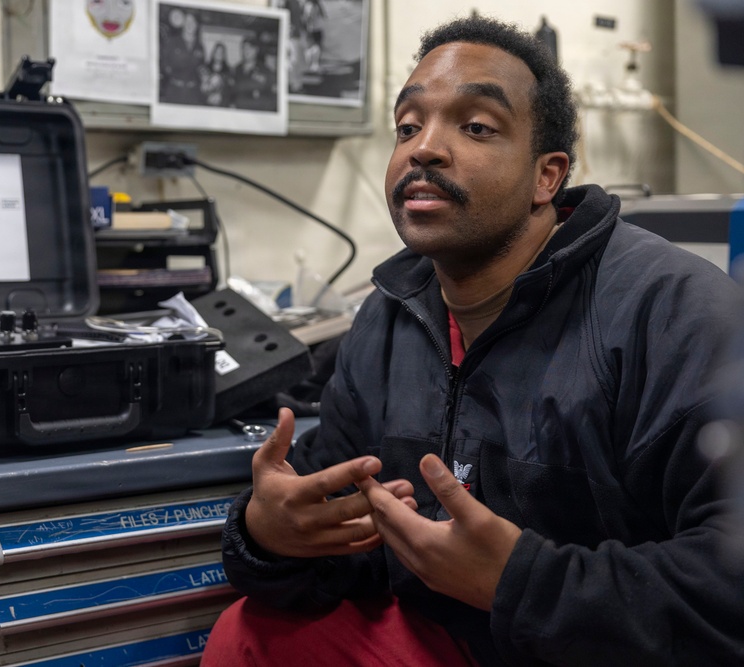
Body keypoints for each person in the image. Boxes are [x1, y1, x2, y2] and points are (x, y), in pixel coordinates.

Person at [203, 14, 744, 666]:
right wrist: (267, 535)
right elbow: (345, 550)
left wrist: (521, 582)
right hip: (458, 640)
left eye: (476, 126)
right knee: (250, 633)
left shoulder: (677, 312)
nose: (423, 148)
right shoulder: (385, 320)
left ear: (548, 177)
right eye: (407, 126)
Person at [159, 8, 205, 105]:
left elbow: (200, 67)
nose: (190, 24)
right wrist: (175, 77)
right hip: (174, 91)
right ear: (182, 23)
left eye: (193, 21)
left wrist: (205, 75)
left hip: (194, 93)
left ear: (197, 25)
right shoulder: (172, 42)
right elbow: (164, 63)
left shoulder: (200, 46)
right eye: (187, 21)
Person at [231, 36, 276, 111]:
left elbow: (272, 96)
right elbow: (232, 92)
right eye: (244, 48)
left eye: (250, 48)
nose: (246, 51)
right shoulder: (236, 69)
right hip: (239, 111)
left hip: (257, 112)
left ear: (256, 50)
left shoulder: (265, 71)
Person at [200, 42, 233, 107]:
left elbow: (230, 89)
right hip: (206, 104)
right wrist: (207, 98)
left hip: (222, 105)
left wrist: (222, 96)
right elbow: (201, 88)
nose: (219, 54)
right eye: (217, 52)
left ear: (224, 55)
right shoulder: (205, 69)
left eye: (221, 52)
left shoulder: (229, 71)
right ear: (213, 53)